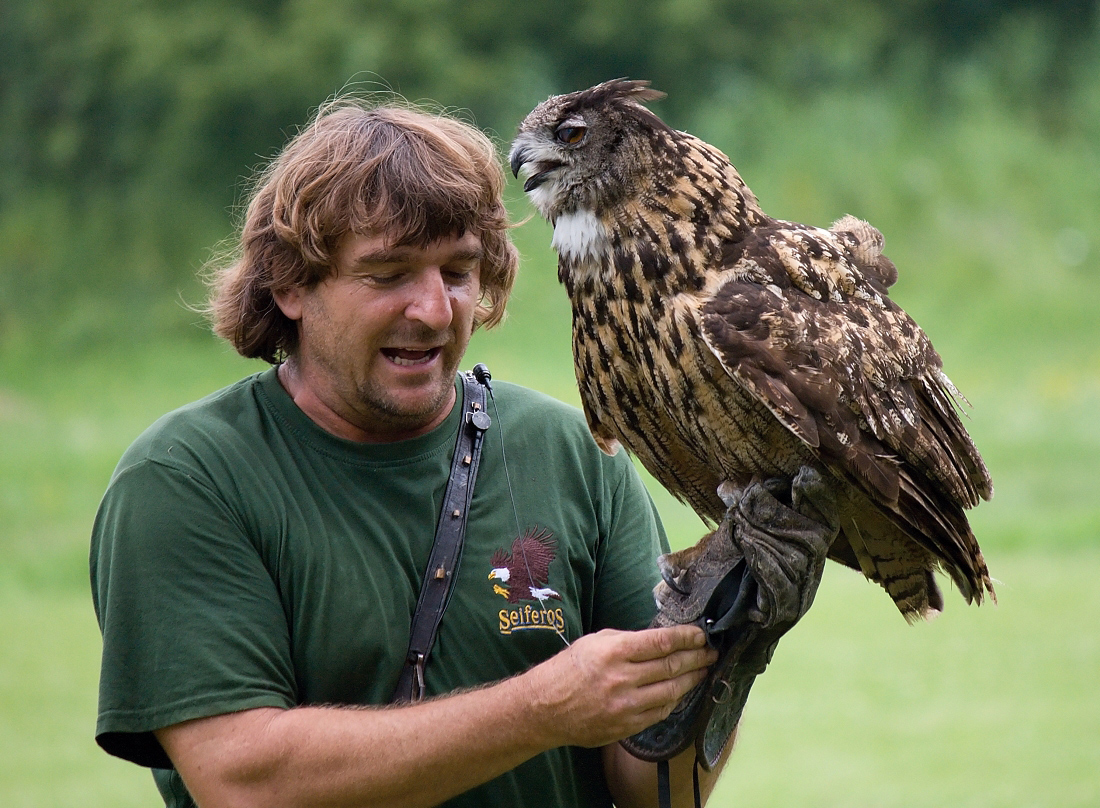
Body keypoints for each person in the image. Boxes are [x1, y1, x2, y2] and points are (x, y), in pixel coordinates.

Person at [90, 99, 728, 808]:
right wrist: (542, 708)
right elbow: (243, 782)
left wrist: (740, 636)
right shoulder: (188, 480)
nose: (433, 309)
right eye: (388, 274)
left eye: (458, 271)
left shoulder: (576, 453)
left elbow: (653, 788)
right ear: (291, 284)